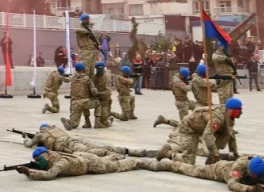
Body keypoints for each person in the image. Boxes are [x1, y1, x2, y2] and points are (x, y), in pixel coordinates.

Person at [156, 98, 242, 165]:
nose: (241, 113)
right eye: (239, 110)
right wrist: (215, 153)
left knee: (225, 133)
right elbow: (207, 136)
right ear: (231, 110)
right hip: (189, 129)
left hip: (201, 129)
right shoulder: (217, 118)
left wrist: (235, 154)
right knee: (188, 162)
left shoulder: (228, 116)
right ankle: (167, 153)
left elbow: (230, 134)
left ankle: (211, 158)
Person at [15, 147, 167, 180]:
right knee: (109, 158)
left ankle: (153, 164)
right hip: (82, 156)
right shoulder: (54, 155)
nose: (39, 162)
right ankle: (116, 154)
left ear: (47, 156)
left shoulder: (61, 162)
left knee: (127, 164)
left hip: (92, 164)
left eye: (40, 159)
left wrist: (29, 172)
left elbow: (50, 174)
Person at [166, 156, 264, 192]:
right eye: (253, 176)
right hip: (218, 170)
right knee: (193, 170)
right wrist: (251, 189)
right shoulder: (240, 166)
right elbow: (232, 184)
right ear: (248, 170)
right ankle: (172, 164)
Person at [23, 123, 156, 157]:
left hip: (66, 144)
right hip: (74, 138)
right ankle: (133, 151)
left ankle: (119, 157)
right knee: (104, 146)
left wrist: (25, 138)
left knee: (92, 152)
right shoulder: (55, 128)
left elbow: (29, 145)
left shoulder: (40, 134)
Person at [61, 63, 97, 131]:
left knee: (74, 124)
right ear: (83, 69)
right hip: (85, 102)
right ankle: (91, 122)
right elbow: (93, 90)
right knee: (98, 103)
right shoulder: (86, 78)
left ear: (76, 69)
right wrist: (96, 95)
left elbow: (65, 80)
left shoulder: (73, 78)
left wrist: (61, 75)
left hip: (75, 103)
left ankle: (70, 122)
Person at [90, 61, 112, 128]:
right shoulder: (94, 78)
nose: (99, 70)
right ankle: (98, 122)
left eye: (101, 69)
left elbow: (108, 92)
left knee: (105, 122)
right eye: (98, 68)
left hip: (105, 100)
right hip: (98, 100)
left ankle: (110, 120)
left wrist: (98, 94)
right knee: (99, 113)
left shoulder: (106, 78)